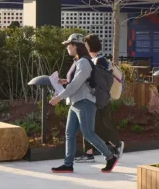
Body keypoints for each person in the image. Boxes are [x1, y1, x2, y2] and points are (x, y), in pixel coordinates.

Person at [50, 36, 118, 174]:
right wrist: (65, 82)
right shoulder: (79, 62)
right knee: (69, 133)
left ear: (76, 46)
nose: (67, 47)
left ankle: (110, 157)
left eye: (69, 45)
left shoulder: (84, 62)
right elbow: (78, 82)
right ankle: (68, 164)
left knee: (88, 133)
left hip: (85, 103)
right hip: (76, 102)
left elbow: (76, 84)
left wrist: (59, 97)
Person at [85, 34, 124, 160]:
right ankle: (89, 153)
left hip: (99, 98)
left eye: (85, 44)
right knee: (90, 124)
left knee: (100, 125)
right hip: (94, 97)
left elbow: (100, 81)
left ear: (89, 46)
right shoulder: (93, 60)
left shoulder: (99, 60)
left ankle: (116, 144)